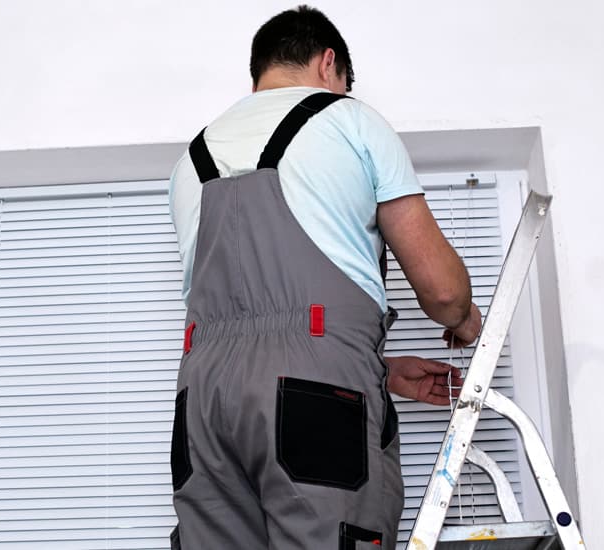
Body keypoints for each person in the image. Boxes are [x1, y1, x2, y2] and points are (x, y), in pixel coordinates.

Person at [166, 6, 482, 549]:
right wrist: (466, 320)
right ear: (328, 63)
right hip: (317, 387)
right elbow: (444, 292)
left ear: (257, 78)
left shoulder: (189, 162)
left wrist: (374, 371)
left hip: (201, 399)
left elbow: (249, 329)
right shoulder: (350, 120)